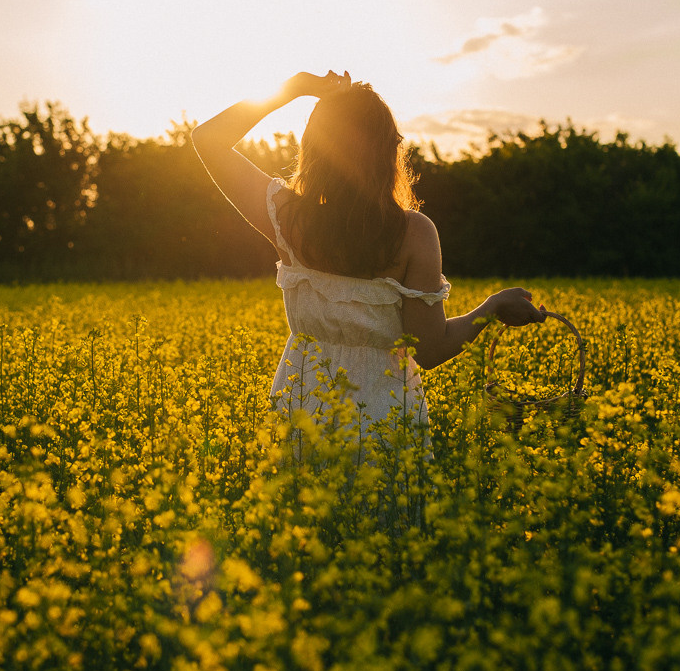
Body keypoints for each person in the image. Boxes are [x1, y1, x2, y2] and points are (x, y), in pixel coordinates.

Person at [191, 70, 546, 433]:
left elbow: (207, 139)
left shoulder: (287, 219)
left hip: (301, 412)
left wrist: (295, 88)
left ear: (314, 149)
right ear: (388, 151)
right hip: (383, 419)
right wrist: (492, 307)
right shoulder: (413, 233)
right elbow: (430, 350)